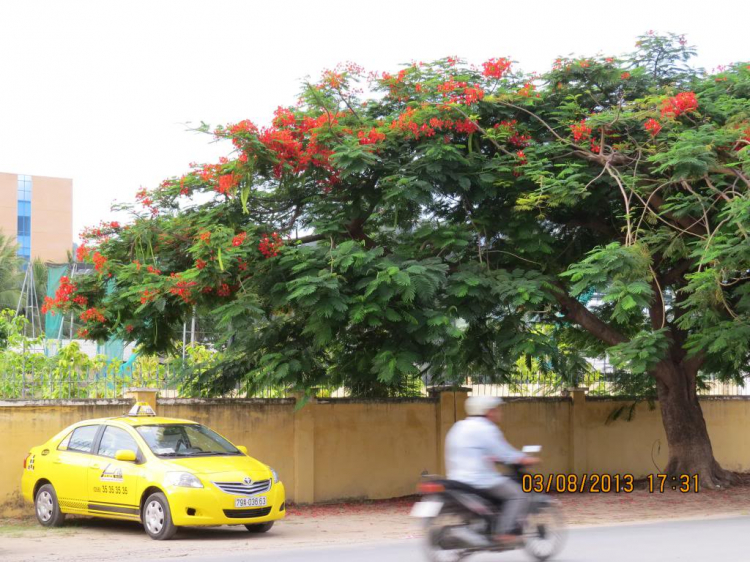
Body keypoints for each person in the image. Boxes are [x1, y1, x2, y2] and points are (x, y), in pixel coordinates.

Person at [445, 395, 538, 546]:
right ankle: (506, 533)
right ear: (489, 411)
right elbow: (506, 454)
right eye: (496, 409)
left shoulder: (459, 427)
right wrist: (526, 459)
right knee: (518, 495)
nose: (499, 412)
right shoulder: (487, 429)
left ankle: (486, 526)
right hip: (480, 480)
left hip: (456, 479)